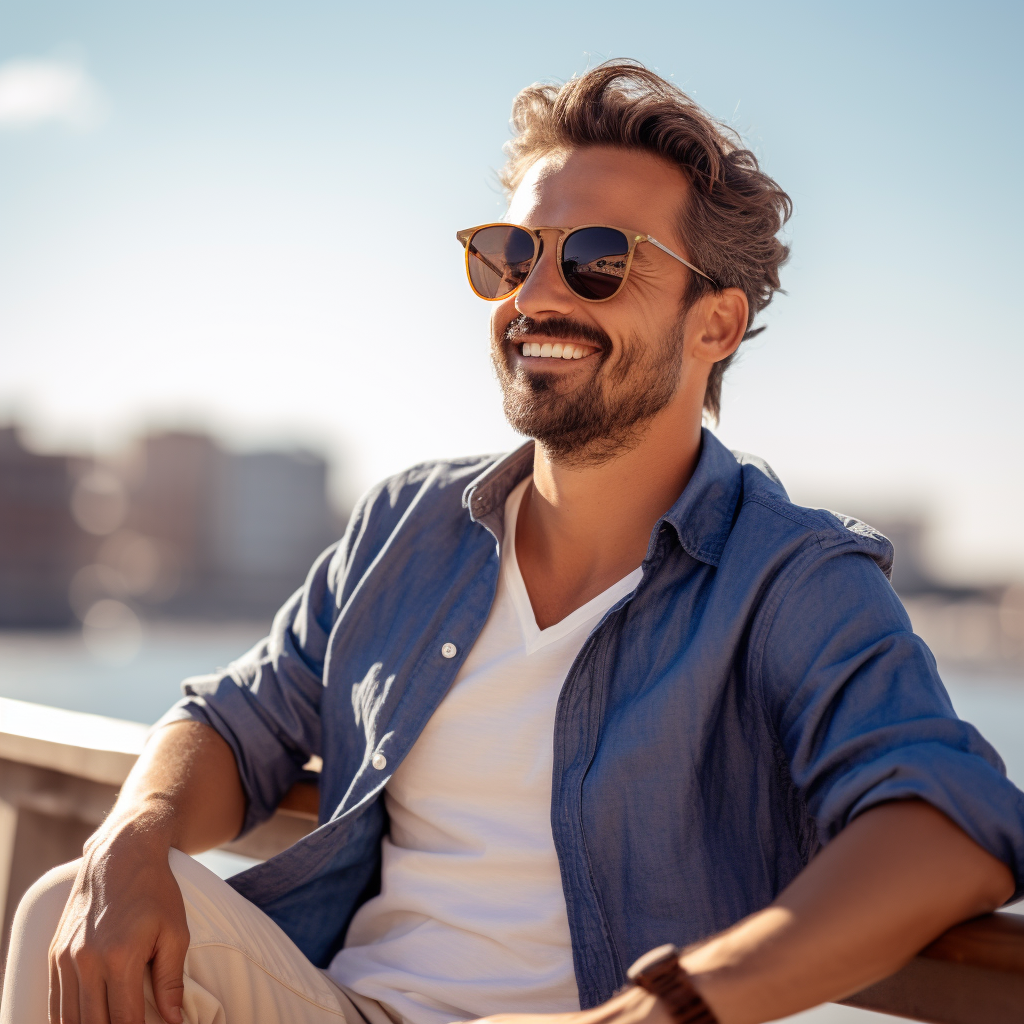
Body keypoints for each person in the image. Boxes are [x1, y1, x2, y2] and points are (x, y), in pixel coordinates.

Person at [4, 60, 1023, 1024]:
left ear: (714, 324)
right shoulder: (407, 526)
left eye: (596, 261)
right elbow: (232, 719)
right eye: (512, 254)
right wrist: (130, 840)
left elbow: (951, 818)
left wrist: (679, 1001)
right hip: (343, 1004)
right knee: (63, 903)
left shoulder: (792, 580)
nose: (536, 295)